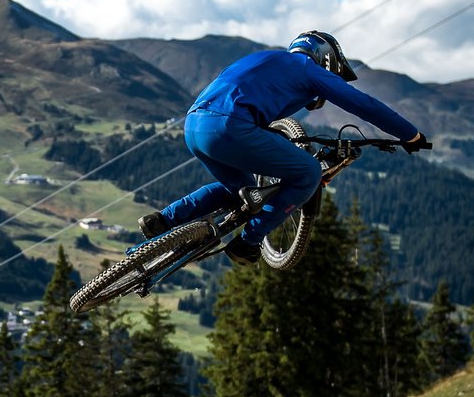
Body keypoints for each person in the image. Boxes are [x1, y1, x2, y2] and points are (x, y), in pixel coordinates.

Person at [139, 31, 430, 265]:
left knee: (238, 193)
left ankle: (163, 221)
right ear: (325, 59)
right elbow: (365, 105)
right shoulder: (308, 69)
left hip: (194, 126)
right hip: (231, 127)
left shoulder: (260, 59)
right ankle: (248, 243)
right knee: (307, 172)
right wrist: (410, 135)